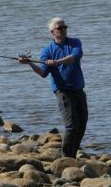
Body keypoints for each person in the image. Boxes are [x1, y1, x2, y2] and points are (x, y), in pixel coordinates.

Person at [18, 17, 88, 158]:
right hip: (62, 91)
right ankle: (66, 158)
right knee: (71, 126)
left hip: (79, 90)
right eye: (59, 28)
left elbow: (74, 57)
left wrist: (56, 62)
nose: (63, 30)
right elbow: (43, 73)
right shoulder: (47, 50)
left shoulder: (75, 42)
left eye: (65, 27)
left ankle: (72, 154)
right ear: (52, 32)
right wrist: (29, 63)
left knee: (82, 124)